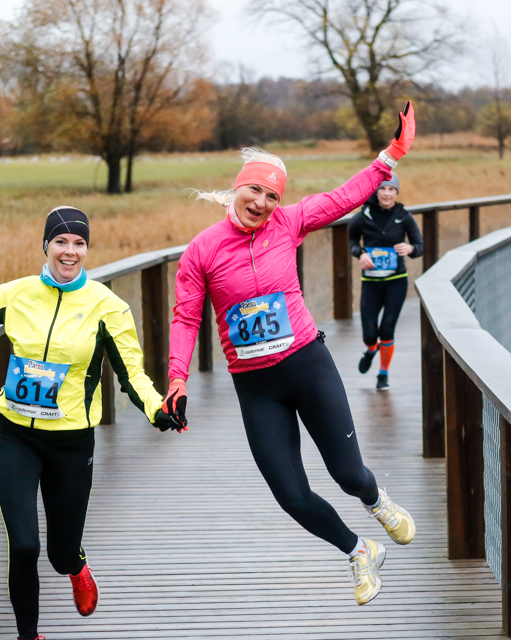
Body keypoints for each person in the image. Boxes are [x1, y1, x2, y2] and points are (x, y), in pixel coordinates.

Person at [164, 103, 418, 606]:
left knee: (347, 474)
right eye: (254, 189)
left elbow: (347, 196)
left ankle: (376, 500)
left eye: (271, 194)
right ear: (237, 187)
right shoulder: (203, 250)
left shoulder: (290, 222)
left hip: (307, 365)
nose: (261, 202)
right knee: (289, 493)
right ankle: (358, 551)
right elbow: (186, 318)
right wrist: (177, 379)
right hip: (256, 387)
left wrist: (391, 156)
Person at [0, 206, 185, 640]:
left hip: (71, 445)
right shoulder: (19, 294)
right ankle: (29, 635)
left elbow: (132, 374)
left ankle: (76, 566)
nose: (69, 251)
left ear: (87, 250)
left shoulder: (108, 307)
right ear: (46, 245)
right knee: (24, 545)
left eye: (79, 243)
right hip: (13, 434)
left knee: (58, 552)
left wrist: (158, 410)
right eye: (61, 241)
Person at [348, 173, 424, 391]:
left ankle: (383, 374)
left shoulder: (404, 216)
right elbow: (352, 240)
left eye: (392, 189)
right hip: (371, 282)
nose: (387, 194)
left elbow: (419, 246)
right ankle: (371, 350)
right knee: (370, 334)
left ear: (396, 192)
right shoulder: (363, 216)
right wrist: (360, 253)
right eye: (383, 189)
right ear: (375, 191)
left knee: (387, 330)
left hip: (396, 281)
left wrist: (410, 249)